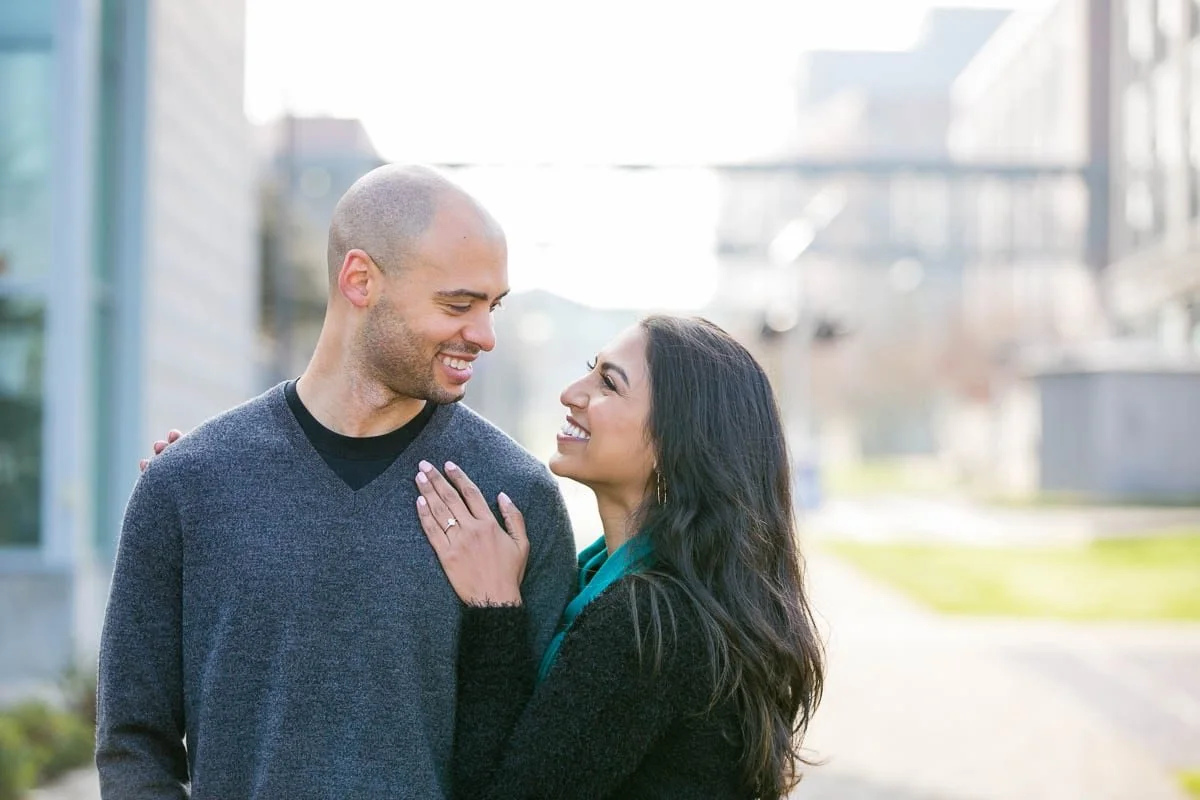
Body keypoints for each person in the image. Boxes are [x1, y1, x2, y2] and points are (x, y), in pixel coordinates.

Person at [96, 165, 578, 798]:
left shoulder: (514, 498)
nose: (484, 335)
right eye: (459, 305)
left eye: (492, 307)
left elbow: (541, 760)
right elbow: (134, 742)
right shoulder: (189, 485)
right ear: (360, 280)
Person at [412, 315, 825, 799]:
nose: (572, 392)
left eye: (608, 383)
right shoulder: (641, 590)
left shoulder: (648, 623)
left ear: (677, 441)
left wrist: (494, 610)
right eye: (591, 370)